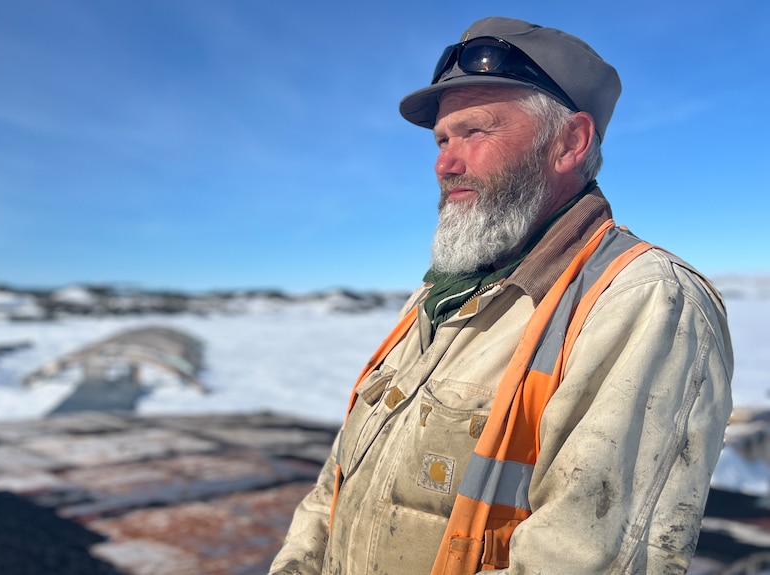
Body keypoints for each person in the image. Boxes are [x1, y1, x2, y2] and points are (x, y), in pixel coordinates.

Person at [268, 16, 733, 575]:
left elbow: (586, 560)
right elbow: (334, 488)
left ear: (569, 142)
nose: (444, 164)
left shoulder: (645, 301)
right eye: (442, 139)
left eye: (475, 133)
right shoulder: (438, 298)